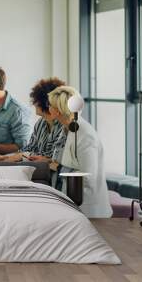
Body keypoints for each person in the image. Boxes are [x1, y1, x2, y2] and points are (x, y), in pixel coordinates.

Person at [48, 86, 112, 218]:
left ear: (58, 111)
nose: (48, 108)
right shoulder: (65, 129)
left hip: (89, 210)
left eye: (50, 105)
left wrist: (59, 167)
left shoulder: (85, 136)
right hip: (69, 203)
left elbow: (89, 177)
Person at [0, 77, 66, 165]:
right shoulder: (41, 123)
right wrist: (5, 158)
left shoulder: (63, 127)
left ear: (45, 102)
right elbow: (29, 150)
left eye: (36, 100)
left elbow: (55, 160)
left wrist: (42, 159)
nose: (34, 103)